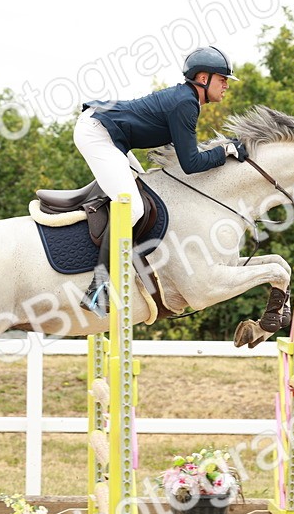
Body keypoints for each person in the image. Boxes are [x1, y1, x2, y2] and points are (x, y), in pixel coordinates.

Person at [74, 45, 249, 317]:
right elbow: (191, 164)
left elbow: (186, 155)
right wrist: (226, 150)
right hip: (98, 134)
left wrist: (221, 151)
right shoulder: (185, 103)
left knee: (143, 193)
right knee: (131, 208)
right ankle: (98, 288)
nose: (226, 85)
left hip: (113, 138)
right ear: (204, 79)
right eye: (223, 79)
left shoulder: (186, 100)